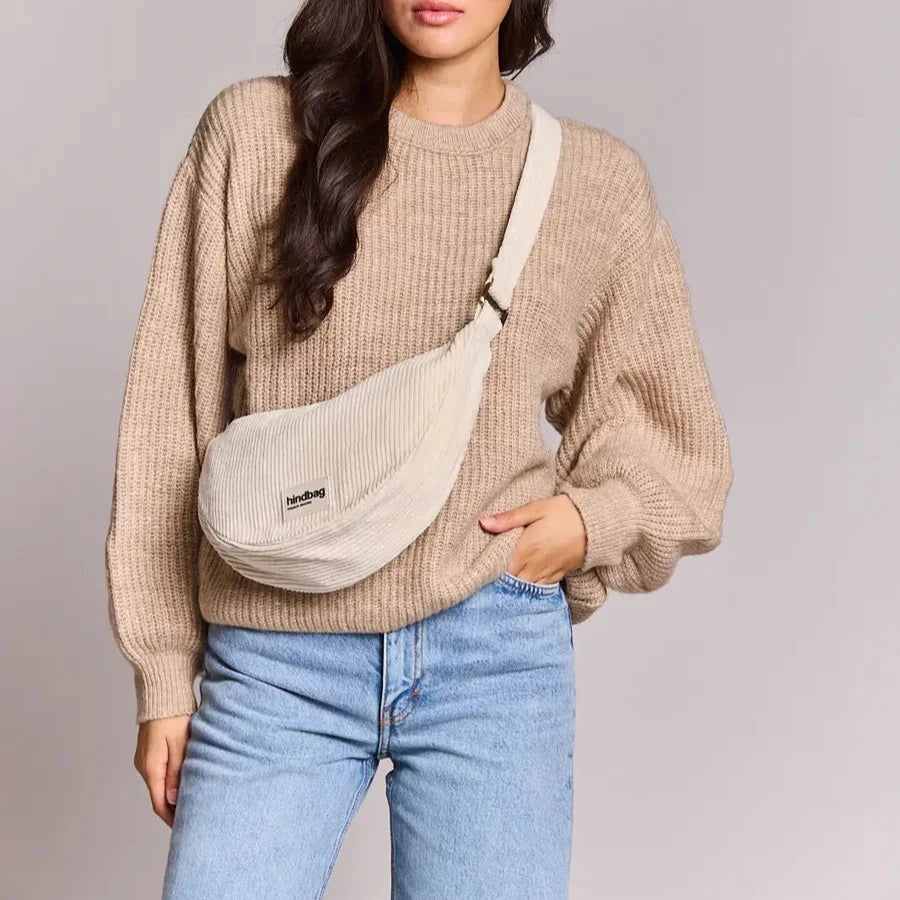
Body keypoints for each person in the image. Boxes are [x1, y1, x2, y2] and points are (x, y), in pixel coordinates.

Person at [104, 0, 734, 896]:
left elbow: (679, 444)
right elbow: (170, 413)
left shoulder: (593, 183)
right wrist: (165, 673)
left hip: (490, 653)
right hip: (274, 656)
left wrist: (588, 525)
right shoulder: (256, 134)